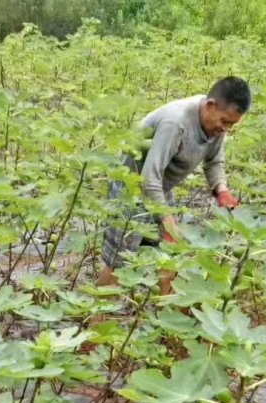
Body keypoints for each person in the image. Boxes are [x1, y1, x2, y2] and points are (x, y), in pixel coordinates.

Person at [98, 77, 252, 289]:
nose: (226, 129)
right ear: (210, 106)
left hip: (160, 187)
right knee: (120, 260)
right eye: (225, 122)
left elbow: (214, 160)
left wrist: (221, 189)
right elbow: (148, 177)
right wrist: (166, 220)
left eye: (232, 124)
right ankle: (98, 317)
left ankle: (167, 314)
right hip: (131, 187)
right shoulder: (176, 123)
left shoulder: (215, 125)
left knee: (172, 253)